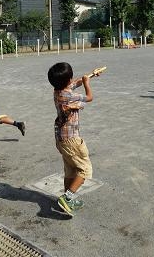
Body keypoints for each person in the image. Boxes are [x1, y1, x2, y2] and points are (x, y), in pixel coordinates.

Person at [47, 62, 96, 216]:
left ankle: (66, 200)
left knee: (70, 170)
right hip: (72, 139)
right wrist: (87, 83)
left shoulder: (58, 91)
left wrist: (90, 75)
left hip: (62, 139)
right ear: (67, 80)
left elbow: (74, 83)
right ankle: (67, 198)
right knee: (85, 169)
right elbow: (89, 97)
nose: (72, 79)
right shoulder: (68, 96)